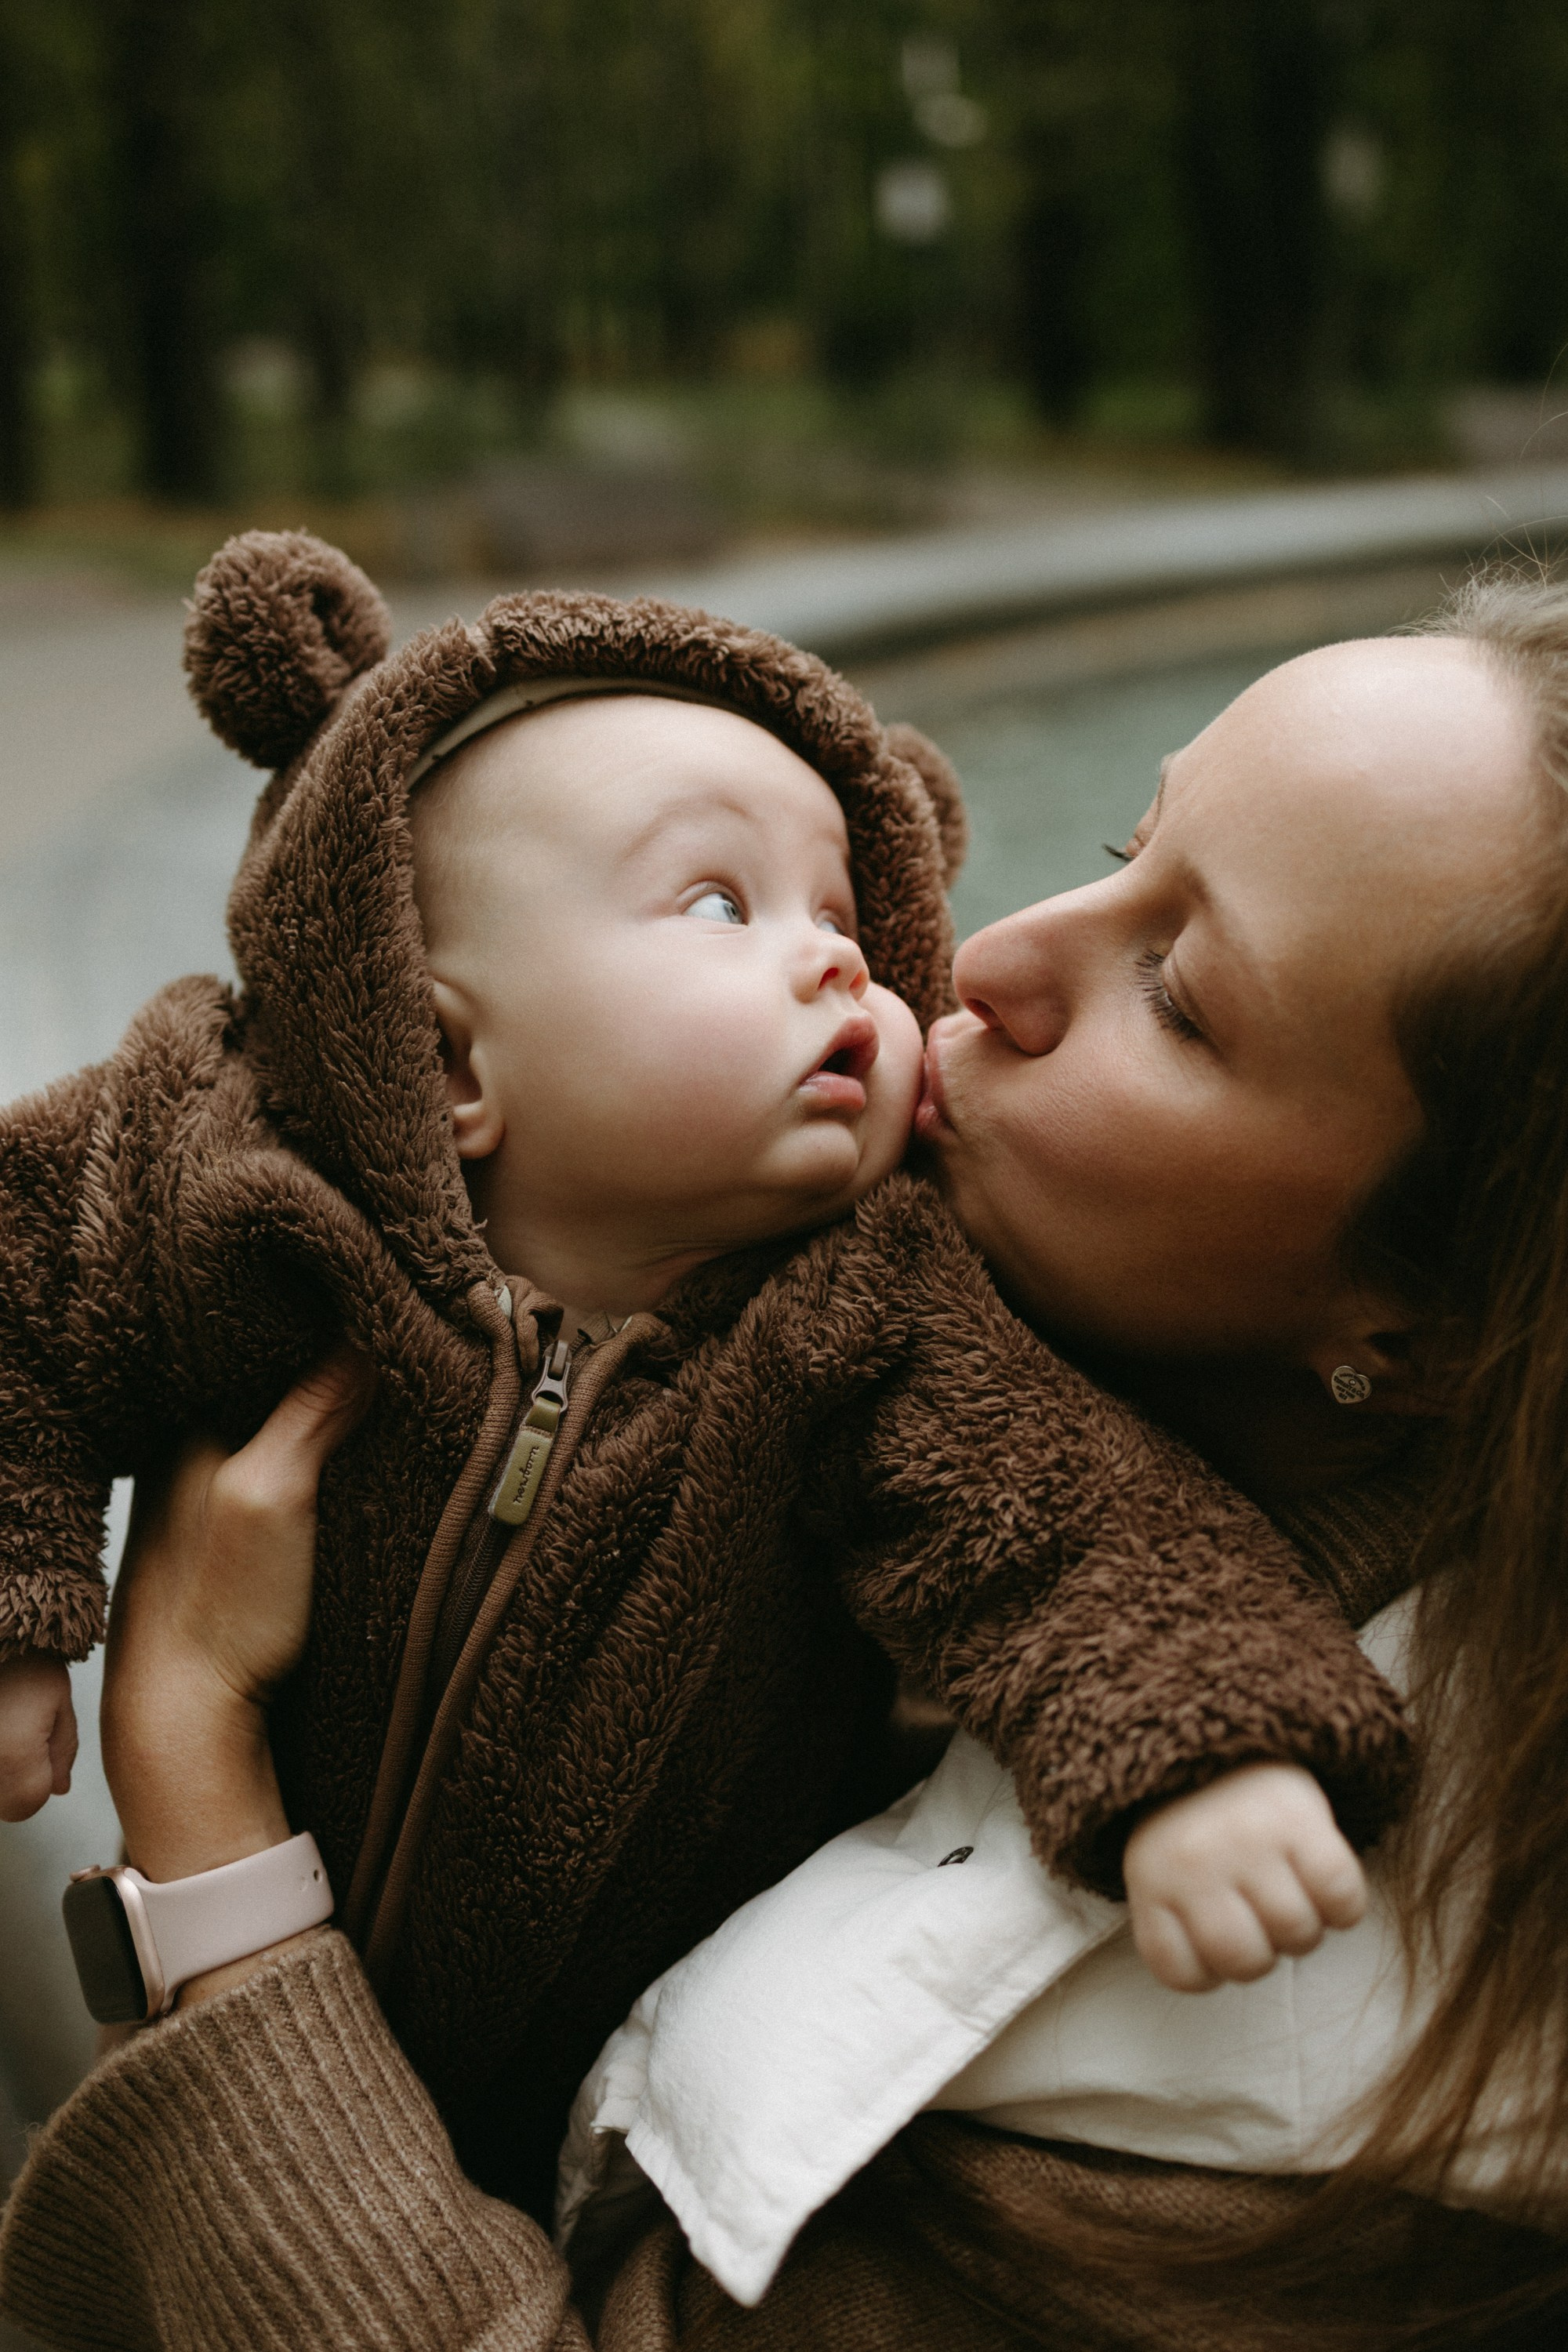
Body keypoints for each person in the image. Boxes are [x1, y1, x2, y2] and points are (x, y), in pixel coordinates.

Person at [8, 567, 1568, 2351]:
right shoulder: (301, 1169)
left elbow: (1064, 1534)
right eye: (1131, 838)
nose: (977, 958)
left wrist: (196, 1776)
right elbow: (34, 1255)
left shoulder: (1328, 2106)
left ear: (1434, 1337)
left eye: (1181, 999)